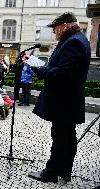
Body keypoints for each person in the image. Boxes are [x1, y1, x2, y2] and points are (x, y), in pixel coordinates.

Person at [28, 12, 91, 183]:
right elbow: (63, 68)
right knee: (67, 136)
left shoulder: (74, 42)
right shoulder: (76, 39)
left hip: (64, 100)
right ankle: (64, 171)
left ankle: (51, 173)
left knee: (61, 137)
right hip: (68, 99)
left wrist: (40, 69)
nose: (54, 33)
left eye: (55, 29)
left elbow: (63, 73)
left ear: (64, 26)